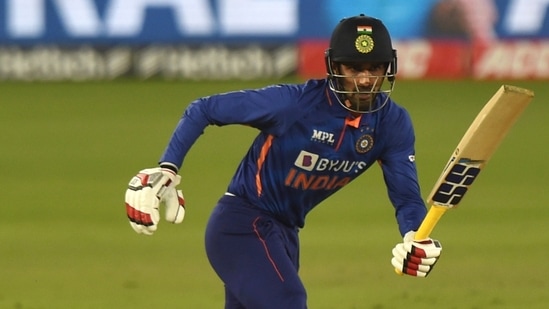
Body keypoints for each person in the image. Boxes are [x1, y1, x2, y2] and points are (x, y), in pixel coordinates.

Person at [124, 14, 442, 309]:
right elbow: (204, 109)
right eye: (353, 68)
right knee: (289, 299)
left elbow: (406, 199)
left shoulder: (392, 124)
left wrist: (416, 236)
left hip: (284, 236)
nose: (364, 80)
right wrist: (168, 167)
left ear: (389, 68)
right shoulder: (293, 104)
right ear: (334, 67)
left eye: (374, 68)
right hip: (241, 225)